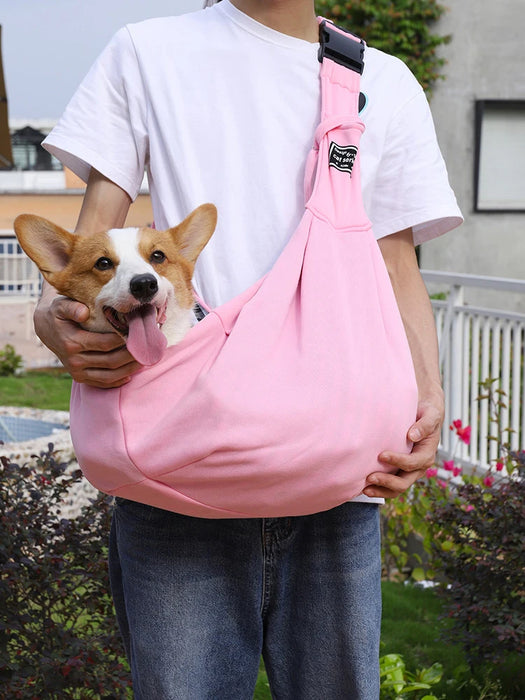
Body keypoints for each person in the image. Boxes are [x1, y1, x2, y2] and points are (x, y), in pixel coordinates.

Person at [36, 1, 462, 697]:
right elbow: (85, 256)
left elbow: (394, 262)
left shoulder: (380, 80)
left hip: (337, 477)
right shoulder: (144, 52)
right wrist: (57, 318)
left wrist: (428, 396)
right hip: (181, 470)